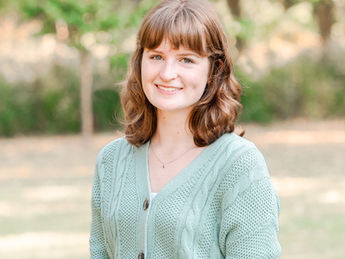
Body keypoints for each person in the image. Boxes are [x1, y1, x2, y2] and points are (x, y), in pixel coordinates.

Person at [89, 0, 281, 258]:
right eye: (156, 56)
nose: (167, 73)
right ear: (140, 61)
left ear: (215, 69)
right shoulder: (111, 162)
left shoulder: (240, 165)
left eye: (186, 60)